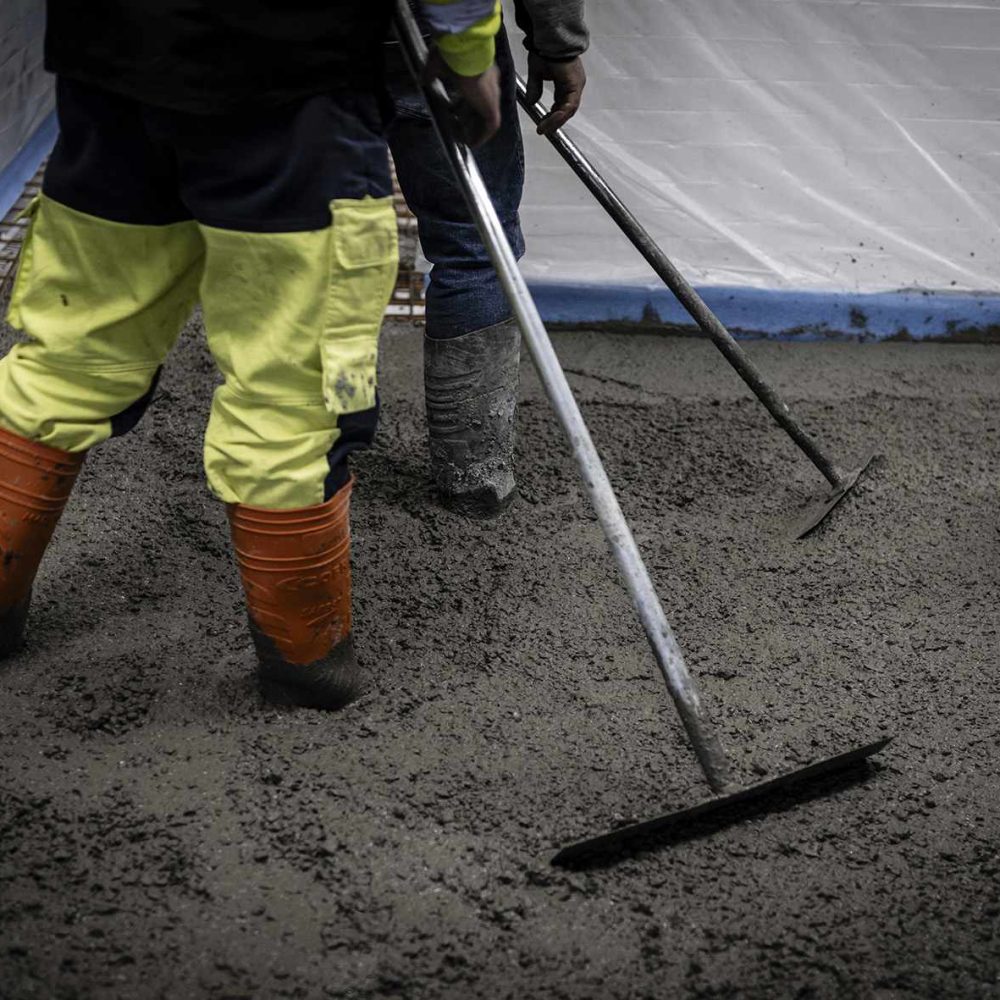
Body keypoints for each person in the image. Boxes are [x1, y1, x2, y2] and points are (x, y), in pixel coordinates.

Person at [0, 0, 504, 710]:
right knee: (292, 391)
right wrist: (471, 56)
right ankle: (307, 664)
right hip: (290, 92)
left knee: (67, 358)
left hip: (109, 66)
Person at [386, 0, 588, 516]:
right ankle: (474, 477)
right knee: (476, 245)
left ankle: (310, 461)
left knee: (307, 230)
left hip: (286, 35)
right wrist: (555, 40)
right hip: (436, 29)